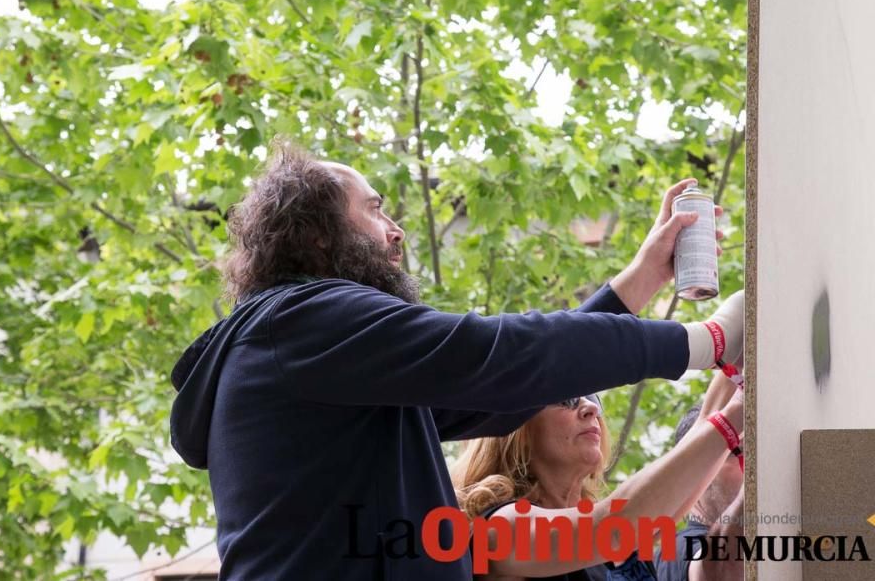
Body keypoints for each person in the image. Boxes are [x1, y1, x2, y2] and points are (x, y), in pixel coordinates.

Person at [169, 147, 745, 580]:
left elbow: (504, 391)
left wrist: (644, 276)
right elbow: (500, 357)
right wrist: (709, 341)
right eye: (374, 210)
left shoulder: (329, 364)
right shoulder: (303, 322)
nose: (396, 232)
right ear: (318, 237)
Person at [452, 378, 744, 580]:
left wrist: (742, 350)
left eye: (593, 399)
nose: (590, 408)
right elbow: (611, 528)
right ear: (514, 426)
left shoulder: (618, 539)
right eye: (566, 399)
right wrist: (740, 407)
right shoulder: (500, 528)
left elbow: (699, 443)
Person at [654, 372, 746, 581]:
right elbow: (722, 570)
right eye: (737, 451)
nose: (749, 463)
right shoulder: (675, 551)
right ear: (693, 469)